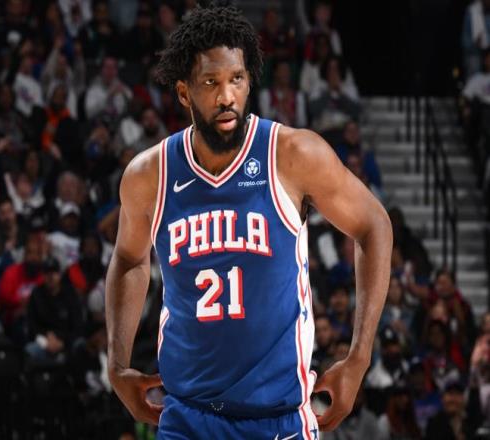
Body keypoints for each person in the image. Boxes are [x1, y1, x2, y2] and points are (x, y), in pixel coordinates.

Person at [105, 6, 392, 438]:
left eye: (236, 79)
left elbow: (374, 225)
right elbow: (129, 259)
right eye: (210, 83)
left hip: (279, 417)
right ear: (184, 93)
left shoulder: (293, 155)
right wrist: (116, 363)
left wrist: (359, 356)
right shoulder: (150, 174)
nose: (227, 96)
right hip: (187, 416)